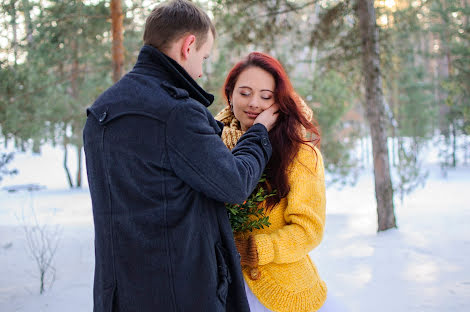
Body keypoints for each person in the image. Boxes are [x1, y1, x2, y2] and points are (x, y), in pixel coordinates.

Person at [82, 1, 278, 311]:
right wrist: (259, 132)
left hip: (117, 296)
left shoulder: (102, 110)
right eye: (204, 57)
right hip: (180, 295)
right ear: (188, 46)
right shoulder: (177, 113)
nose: (201, 71)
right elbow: (235, 183)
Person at [215, 52, 329, 312]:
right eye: (244, 93)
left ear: (279, 101)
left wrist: (258, 249)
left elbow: (309, 228)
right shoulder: (212, 144)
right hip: (221, 289)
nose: (254, 103)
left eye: (266, 96)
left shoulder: (299, 153)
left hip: (283, 294)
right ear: (230, 95)